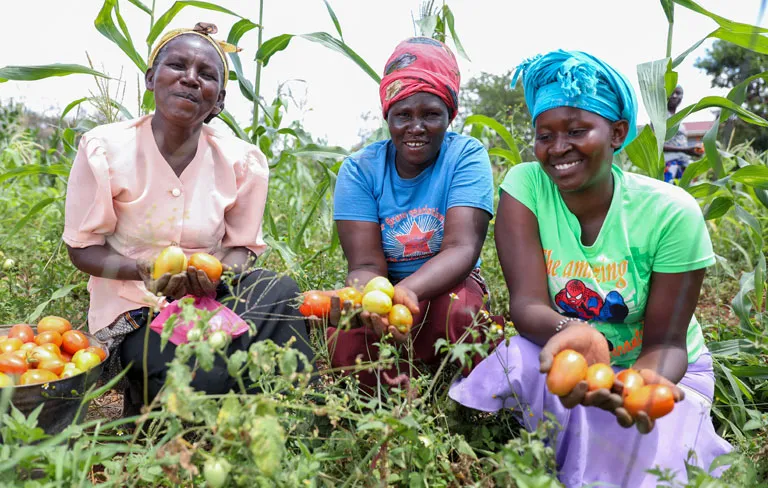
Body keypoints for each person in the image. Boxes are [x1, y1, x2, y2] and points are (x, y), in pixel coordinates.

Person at [448, 50, 732, 487]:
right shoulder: (526, 187)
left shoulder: (672, 214)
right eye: (545, 135)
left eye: (577, 131)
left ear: (617, 132)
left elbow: (669, 342)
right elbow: (526, 305)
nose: (558, 148)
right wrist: (576, 334)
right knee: (517, 358)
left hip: (659, 366)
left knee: (646, 455)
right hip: (569, 358)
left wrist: (637, 385)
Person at [63, 23, 314, 413]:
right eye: (177, 65)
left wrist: (217, 275)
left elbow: (241, 249)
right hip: (136, 310)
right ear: (151, 78)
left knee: (279, 292)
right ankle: (167, 394)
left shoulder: (240, 161)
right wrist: (141, 269)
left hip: (210, 296)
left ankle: (295, 414)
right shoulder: (106, 149)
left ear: (220, 100)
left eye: (207, 74)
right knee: (204, 372)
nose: (190, 79)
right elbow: (83, 250)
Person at [325, 37, 494, 387]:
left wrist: (409, 292)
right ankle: (393, 400)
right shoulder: (360, 170)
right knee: (344, 339)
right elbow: (366, 265)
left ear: (450, 115)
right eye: (403, 115)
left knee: (459, 314)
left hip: (449, 284)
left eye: (431, 114)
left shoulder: (465, 156)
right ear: (388, 116)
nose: (416, 128)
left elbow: (462, 248)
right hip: (387, 287)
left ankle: (468, 401)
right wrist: (378, 301)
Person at [663, 85, 703, 184]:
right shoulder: (660, 116)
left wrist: (692, 151)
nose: (675, 96)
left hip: (684, 164)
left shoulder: (679, 120)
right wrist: (686, 150)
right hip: (670, 163)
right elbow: (655, 144)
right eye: (672, 92)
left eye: (678, 93)